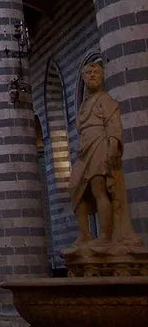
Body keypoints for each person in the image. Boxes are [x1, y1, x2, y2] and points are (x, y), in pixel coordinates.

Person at [69, 62, 142, 247]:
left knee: (98, 188)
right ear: (84, 78)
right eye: (89, 73)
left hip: (100, 144)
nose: (92, 76)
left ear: (102, 78)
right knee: (75, 188)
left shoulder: (106, 100)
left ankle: (105, 236)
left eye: (96, 73)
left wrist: (113, 145)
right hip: (85, 148)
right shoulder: (85, 104)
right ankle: (85, 235)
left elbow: (113, 124)